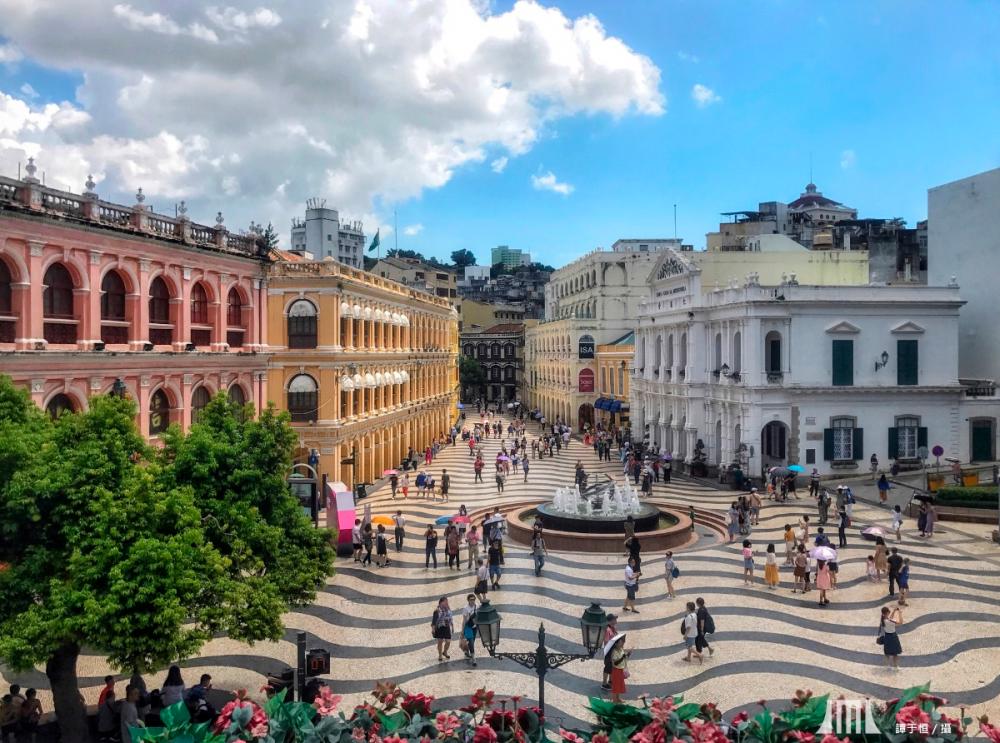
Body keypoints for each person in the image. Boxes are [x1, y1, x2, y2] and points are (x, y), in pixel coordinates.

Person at [878, 606, 903, 671]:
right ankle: (895, 666)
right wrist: (900, 613)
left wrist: (894, 611)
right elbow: (900, 622)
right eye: (889, 612)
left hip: (887, 637)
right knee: (895, 653)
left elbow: (890, 618)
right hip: (893, 637)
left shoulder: (883, 620)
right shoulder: (889, 622)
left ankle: (888, 666)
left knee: (887, 653)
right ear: (887, 613)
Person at [608, 634, 630, 703]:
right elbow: (615, 663)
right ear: (616, 643)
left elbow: (624, 657)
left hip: (620, 670)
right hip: (616, 670)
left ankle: (618, 698)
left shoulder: (621, 650)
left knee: (619, 685)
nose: (622, 643)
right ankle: (614, 700)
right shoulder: (614, 652)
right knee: (615, 686)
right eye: (620, 642)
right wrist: (623, 657)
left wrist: (628, 654)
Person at [431, 597, 454, 662]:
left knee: (448, 641)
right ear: (441, 602)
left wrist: (452, 626)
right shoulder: (436, 611)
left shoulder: (448, 610)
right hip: (439, 627)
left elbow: (451, 618)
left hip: (446, 627)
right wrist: (433, 629)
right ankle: (440, 655)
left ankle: (445, 652)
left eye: (447, 601)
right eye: (445, 601)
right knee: (440, 642)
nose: (447, 602)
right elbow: (434, 621)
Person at [601, 614, 619, 690]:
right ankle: (604, 683)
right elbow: (606, 641)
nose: (616, 621)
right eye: (615, 619)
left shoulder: (612, 628)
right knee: (608, 667)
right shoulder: (607, 629)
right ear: (611, 620)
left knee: (612, 667)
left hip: (613, 650)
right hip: (609, 651)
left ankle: (610, 681)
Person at [461, 594, 478, 667]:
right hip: (468, 627)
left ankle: (466, 651)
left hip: (475, 627)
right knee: (471, 642)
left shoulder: (477, 605)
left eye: (474, 599)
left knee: (472, 642)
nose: (473, 601)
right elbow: (464, 620)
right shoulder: (465, 608)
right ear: (468, 600)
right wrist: (462, 630)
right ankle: (474, 659)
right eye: (471, 599)